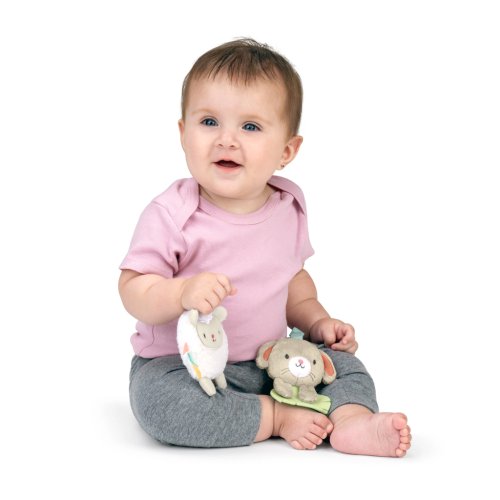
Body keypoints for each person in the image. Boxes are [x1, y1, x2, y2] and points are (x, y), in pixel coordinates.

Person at [118, 38, 412, 456]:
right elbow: (133, 290)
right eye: (209, 122)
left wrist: (317, 322)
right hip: (184, 368)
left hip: (270, 359)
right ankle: (275, 416)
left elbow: (293, 282)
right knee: (162, 405)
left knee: (342, 365)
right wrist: (180, 292)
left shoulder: (288, 205)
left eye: (251, 127)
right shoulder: (172, 213)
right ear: (183, 133)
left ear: (287, 150)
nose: (226, 140)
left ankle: (351, 420)